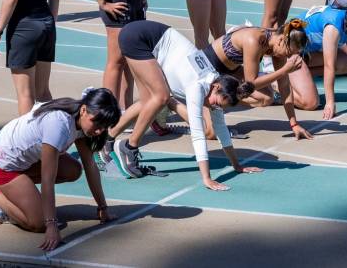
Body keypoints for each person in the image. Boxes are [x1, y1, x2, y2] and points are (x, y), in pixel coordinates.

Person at [104, 20, 262, 190]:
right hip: (140, 37)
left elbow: (221, 128)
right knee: (161, 96)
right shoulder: (198, 86)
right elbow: (198, 134)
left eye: (219, 107)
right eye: (216, 103)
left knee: (148, 102)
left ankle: (107, 139)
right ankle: (129, 147)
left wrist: (236, 165)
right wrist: (206, 178)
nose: (214, 106)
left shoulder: (217, 85)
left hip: (149, 37)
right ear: (216, 87)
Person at [0, 88, 120, 251]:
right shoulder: (59, 126)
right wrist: (51, 224)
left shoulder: (81, 120)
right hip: (3, 165)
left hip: (25, 161)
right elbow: (48, 180)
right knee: (38, 223)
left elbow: (90, 165)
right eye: (97, 123)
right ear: (83, 110)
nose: (99, 131)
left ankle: (16, 191)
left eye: (104, 127)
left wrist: (103, 208)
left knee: (74, 170)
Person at [202, 19, 313, 139]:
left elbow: (285, 85)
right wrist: (284, 70)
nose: (289, 56)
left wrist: (294, 124)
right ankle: (190, 104)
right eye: (289, 52)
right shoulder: (254, 40)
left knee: (266, 98)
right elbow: (251, 84)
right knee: (212, 133)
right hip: (207, 71)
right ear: (281, 40)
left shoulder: (277, 47)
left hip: (228, 70)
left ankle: (222, 101)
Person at [290, 5, 347, 120]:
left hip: (305, 54)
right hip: (288, 53)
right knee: (311, 103)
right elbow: (329, 67)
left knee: (346, 63)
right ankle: (278, 85)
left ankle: (300, 78)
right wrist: (330, 103)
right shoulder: (333, 27)